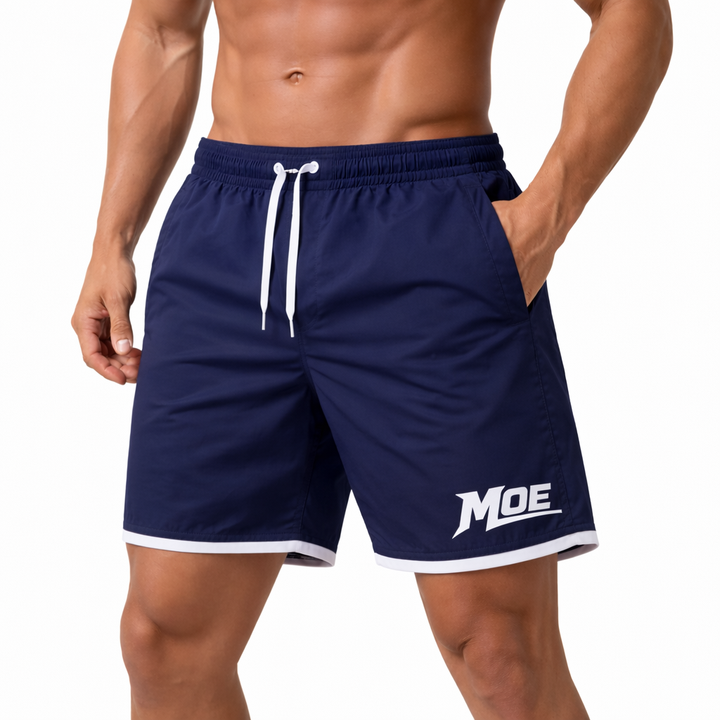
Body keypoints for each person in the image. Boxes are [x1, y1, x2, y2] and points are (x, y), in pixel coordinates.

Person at [71, 0, 672, 717]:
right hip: (226, 235)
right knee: (164, 641)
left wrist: (546, 217)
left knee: (497, 649)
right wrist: (111, 239)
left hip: (425, 221)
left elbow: (632, 10)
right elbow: (162, 29)